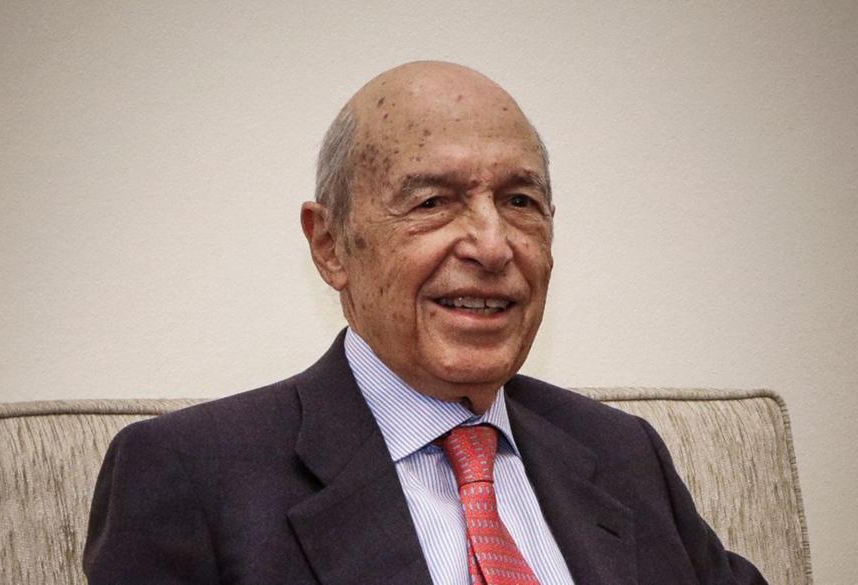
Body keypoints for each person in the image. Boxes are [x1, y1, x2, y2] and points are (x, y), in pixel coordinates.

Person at [83, 61, 767, 585]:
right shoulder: (190, 475)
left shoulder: (622, 454)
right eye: (434, 201)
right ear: (331, 245)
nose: (493, 246)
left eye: (520, 200)